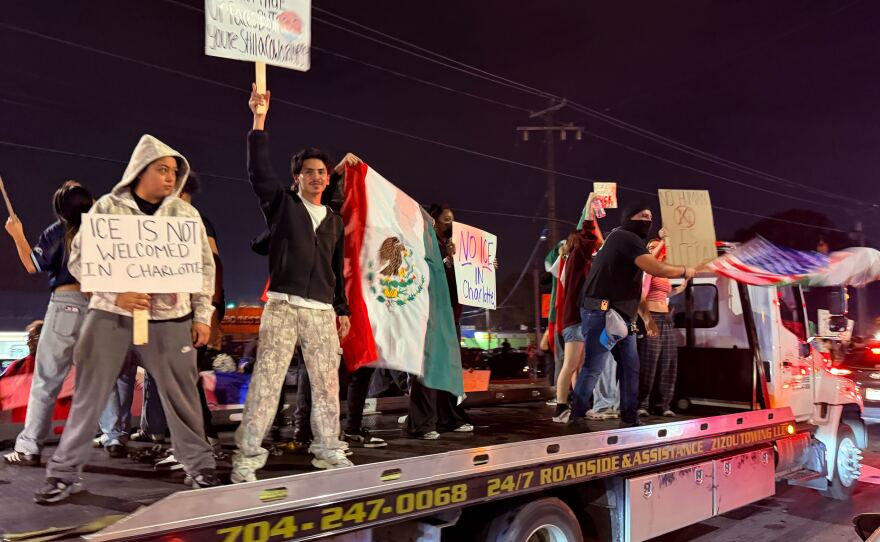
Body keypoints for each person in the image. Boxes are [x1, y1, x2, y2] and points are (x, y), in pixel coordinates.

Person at [34, 135, 219, 504]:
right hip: (111, 314)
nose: (170, 177)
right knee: (89, 395)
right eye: (162, 169)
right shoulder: (107, 208)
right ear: (140, 170)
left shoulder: (184, 215)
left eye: (174, 171)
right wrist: (116, 292)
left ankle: (199, 467)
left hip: (170, 318)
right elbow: (80, 259)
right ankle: (63, 474)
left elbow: (203, 268)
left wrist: (202, 315)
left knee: (182, 396)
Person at [231, 84, 353, 483]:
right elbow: (257, 172)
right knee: (267, 382)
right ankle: (247, 456)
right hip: (283, 306)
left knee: (327, 385)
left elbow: (337, 270)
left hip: (321, 313)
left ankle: (328, 449)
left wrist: (342, 309)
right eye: (309, 172)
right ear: (297, 177)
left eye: (322, 172)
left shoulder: (335, 221)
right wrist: (259, 119)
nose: (317, 177)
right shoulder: (282, 206)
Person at [570, 203, 695, 429]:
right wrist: (685, 270)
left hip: (622, 317)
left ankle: (629, 417)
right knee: (594, 366)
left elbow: (635, 290)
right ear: (630, 218)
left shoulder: (630, 245)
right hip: (601, 313)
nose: (648, 219)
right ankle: (576, 416)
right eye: (643, 215)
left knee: (631, 367)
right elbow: (656, 269)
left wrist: (645, 318)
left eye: (650, 216)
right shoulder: (625, 238)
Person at [3, 181, 93, 467]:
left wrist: (17, 235)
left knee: (46, 381)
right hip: (98, 310)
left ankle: (29, 447)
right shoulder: (104, 233)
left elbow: (33, 265)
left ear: (60, 209)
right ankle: (108, 438)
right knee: (93, 382)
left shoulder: (58, 231)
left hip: (65, 307)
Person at [403, 204, 473, 439]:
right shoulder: (421, 241)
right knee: (427, 368)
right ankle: (422, 422)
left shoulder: (451, 248)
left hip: (449, 315)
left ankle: (449, 418)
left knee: (448, 368)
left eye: (452, 220)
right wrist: (446, 261)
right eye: (445, 220)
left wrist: (482, 270)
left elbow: (458, 284)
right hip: (428, 315)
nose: (449, 225)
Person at [553, 221, 604, 423]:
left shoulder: (580, 263)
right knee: (570, 364)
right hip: (575, 321)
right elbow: (588, 237)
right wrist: (590, 213)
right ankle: (560, 408)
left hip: (582, 320)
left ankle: (579, 405)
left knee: (578, 366)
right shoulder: (575, 260)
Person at [637, 229, 688, 418]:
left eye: (655, 246)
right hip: (652, 318)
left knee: (668, 363)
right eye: (649, 247)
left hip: (666, 319)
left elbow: (665, 294)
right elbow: (642, 293)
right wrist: (662, 240)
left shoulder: (663, 273)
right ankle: (641, 403)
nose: (653, 250)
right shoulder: (647, 270)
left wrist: (683, 286)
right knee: (649, 364)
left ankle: (663, 404)